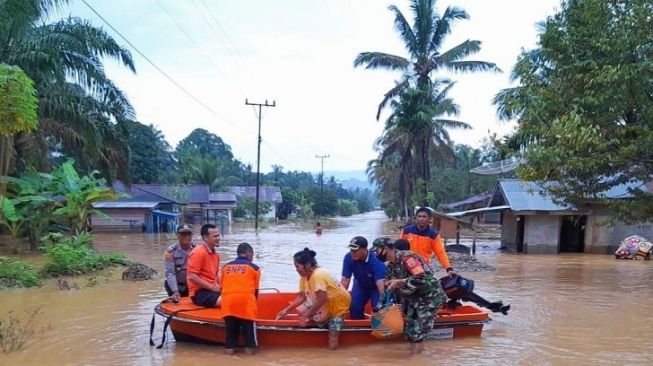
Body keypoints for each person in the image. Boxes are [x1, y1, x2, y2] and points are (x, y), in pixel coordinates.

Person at [373, 238, 446, 355]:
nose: (376, 254)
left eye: (376, 251)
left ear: (385, 249)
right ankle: (417, 354)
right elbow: (387, 280)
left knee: (418, 332)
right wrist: (389, 284)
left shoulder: (408, 258)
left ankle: (414, 360)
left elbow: (421, 277)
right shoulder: (391, 264)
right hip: (414, 297)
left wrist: (401, 282)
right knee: (410, 330)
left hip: (429, 296)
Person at [276, 248, 351, 350]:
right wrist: (286, 310)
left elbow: (321, 299)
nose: (296, 269)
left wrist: (306, 316)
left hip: (338, 306)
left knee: (333, 335)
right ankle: (319, 325)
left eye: (297, 266)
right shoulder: (304, 276)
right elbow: (302, 296)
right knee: (301, 312)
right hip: (323, 301)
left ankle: (332, 353)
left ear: (307, 265)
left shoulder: (318, 274)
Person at [221, 243, 261, 355]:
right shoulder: (254, 268)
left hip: (228, 306)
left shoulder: (225, 267)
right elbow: (256, 292)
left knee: (230, 342)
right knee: (249, 344)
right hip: (246, 305)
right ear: (248, 253)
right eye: (252, 255)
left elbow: (222, 288)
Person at [340, 236, 386, 319]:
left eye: (355, 250)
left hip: (375, 287)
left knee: (379, 308)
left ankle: (380, 328)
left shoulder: (376, 260)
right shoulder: (348, 258)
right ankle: (357, 327)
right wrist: (339, 298)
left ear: (365, 249)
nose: (352, 253)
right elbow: (345, 280)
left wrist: (384, 303)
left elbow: (381, 285)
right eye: (351, 250)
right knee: (354, 307)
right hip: (360, 284)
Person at [401, 207, 455, 276]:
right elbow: (399, 248)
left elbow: (440, 253)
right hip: (407, 265)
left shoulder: (433, 235)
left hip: (424, 267)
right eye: (419, 216)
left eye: (424, 216)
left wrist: (448, 269)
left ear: (429, 219)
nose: (421, 219)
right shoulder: (406, 231)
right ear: (416, 218)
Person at [187, 224, 221, 307]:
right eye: (215, 236)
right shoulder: (198, 252)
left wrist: (222, 287)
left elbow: (215, 275)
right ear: (205, 238)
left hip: (211, 290)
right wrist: (212, 287)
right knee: (228, 301)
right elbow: (191, 276)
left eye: (218, 236)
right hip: (199, 293)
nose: (218, 238)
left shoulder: (216, 254)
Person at [164, 224, 196, 302]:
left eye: (188, 234)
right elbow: (170, 273)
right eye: (183, 234)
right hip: (177, 285)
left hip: (193, 285)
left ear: (192, 235)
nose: (186, 236)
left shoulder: (197, 250)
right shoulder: (170, 252)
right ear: (177, 235)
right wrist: (175, 291)